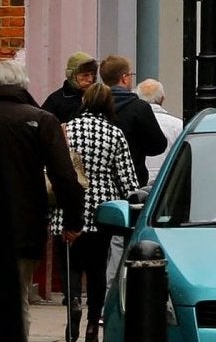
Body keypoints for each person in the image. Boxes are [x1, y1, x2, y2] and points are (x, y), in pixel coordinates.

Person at [0, 59, 84, 341]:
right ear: (23, 84)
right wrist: (73, 221)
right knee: (18, 296)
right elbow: (64, 177)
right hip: (22, 224)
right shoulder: (41, 120)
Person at [53, 82, 136, 342]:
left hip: (68, 205)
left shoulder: (66, 130)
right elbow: (128, 181)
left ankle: (74, 300)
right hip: (102, 211)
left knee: (71, 266)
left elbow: (54, 166)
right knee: (98, 269)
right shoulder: (114, 133)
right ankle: (92, 324)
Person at [98, 56, 165, 187]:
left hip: (101, 183)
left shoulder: (95, 106)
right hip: (133, 179)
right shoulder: (139, 108)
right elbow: (158, 145)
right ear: (124, 77)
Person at [134, 79, 184, 181]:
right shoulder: (178, 125)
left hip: (138, 178)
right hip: (167, 181)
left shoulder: (132, 122)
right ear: (162, 98)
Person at [42, 53, 97, 125]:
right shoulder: (55, 101)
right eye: (85, 75)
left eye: (92, 74)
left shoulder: (97, 98)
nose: (90, 79)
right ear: (72, 75)